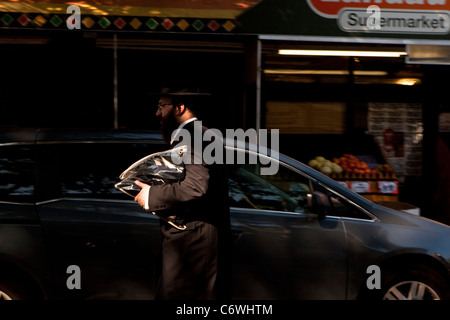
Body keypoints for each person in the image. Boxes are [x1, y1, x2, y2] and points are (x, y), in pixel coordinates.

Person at [134, 88, 231, 300]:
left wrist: (152, 195)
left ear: (180, 108)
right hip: (195, 238)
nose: (157, 113)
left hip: (192, 242)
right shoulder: (202, 134)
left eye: (161, 106)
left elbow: (195, 187)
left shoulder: (193, 136)